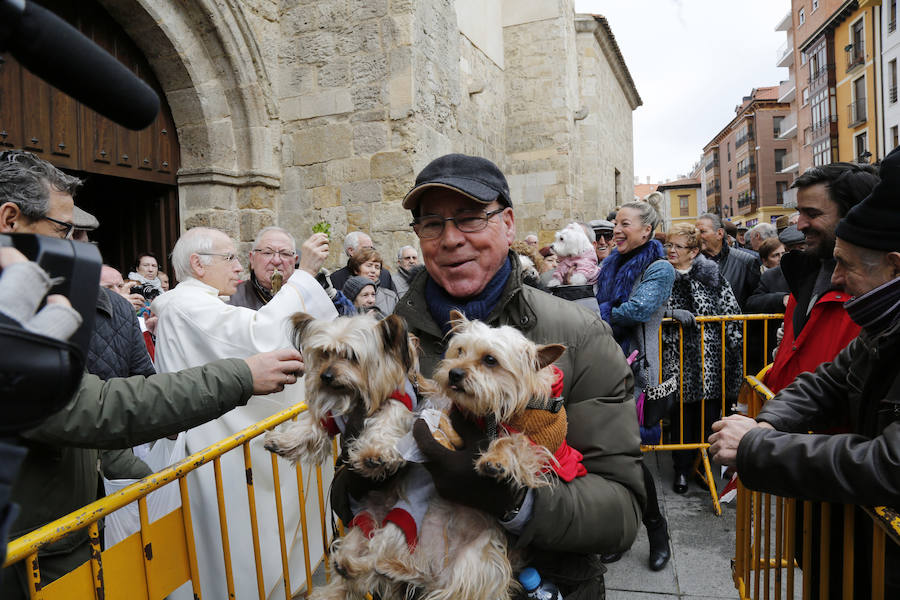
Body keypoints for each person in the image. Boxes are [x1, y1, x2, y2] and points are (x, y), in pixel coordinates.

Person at [347, 153, 644, 599]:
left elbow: (620, 514)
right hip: (408, 578)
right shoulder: (385, 338)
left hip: (543, 585)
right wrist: (366, 476)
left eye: (469, 219)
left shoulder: (578, 335)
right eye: (431, 223)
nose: (450, 239)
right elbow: (343, 482)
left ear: (507, 224)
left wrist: (514, 502)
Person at [709, 147, 900, 597]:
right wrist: (767, 421)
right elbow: (828, 378)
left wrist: (758, 446)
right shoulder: (883, 326)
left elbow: (890, 464)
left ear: (894, 265)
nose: (835, 279)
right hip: (847, 529)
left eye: (848, 266)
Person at [150, 226, 336, 600]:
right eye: (230, 257)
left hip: (215, 441)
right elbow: (261, 335)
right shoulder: (185, 303)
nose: (238, 267)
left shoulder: (196, 302)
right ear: (197, 264)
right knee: (228, 549)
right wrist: (304, 274)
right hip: (211, 448)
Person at [594, 198, 675, 571]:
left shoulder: (659, 267)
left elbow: (637, 310)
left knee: (632, 459)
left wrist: (595, 315)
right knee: (607, 459)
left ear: (647, 230)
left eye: (626, 223)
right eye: (616, 223)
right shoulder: (610, 263)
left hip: (636, 373)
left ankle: (657, 532)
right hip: (602, 366)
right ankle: (618, 533)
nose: (617, 230)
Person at [762, 162, 878, 393]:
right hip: (786, 422)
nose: (800, 224)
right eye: (800, 212)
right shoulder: (801, 272)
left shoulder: (878, 289)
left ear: (854, 214)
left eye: (812, 214)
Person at [660, 223, 742, 494]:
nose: (671, 250)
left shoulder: (711, 275)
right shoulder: (660, 275)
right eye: (669, 245)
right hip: (676, 359)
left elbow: (731, 310)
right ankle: (681, 470)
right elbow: (648, 309)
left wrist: (734, 345)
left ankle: (701, 468)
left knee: (707, 419)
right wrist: (670, 313)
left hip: (711, 363)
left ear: (694, 251)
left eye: (678, 246)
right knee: (681, 419)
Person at [228, 226, 328, 310]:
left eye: (285, 253)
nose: (276, 261)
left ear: (294, 261)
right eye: (267, 253)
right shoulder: (230, 298)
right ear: (252, 259)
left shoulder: (311, 296)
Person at [696, 213, 760, 309]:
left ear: (720, 233)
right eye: (695, 232)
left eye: (702, 232)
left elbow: (756, 300)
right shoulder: (690, 262)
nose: (697, 236)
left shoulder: (745, 261)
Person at [329, 230, 396, 292]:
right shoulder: (336, 278)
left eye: (372, 248)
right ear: (351, 251)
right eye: (366, 248)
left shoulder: (384, 275)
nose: (370, 251)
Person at [347, 246, 399, 315]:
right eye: (369, 265)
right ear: (356, 269)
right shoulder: (344, 296)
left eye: (377, 267)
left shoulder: (391, 297)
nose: (373, 271)